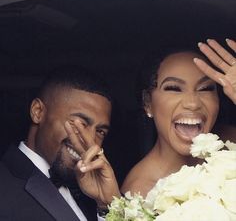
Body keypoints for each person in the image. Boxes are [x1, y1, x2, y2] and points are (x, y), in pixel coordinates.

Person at [0, 65, 120, 221]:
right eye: (79, 123)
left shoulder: (95, 195)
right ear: (38, 112)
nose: (89, 141)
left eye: (100, 131)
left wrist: (107, 207)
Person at [121, 38, 236, 198]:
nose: (192, 103)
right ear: (148, 103)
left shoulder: (232, 143)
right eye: (174, 88)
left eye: (205, 88)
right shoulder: (141, 193)